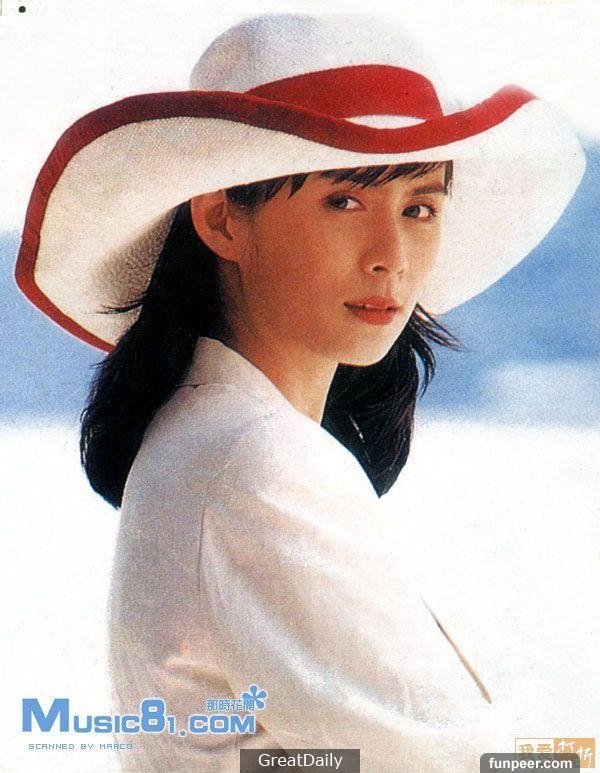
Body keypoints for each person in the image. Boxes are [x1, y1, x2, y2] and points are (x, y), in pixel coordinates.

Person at [15, 12, 585, 772]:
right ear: (222, 220)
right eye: (344, 202)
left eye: (419, 208)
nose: (390, 257)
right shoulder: (257, 461)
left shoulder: (212, 436)